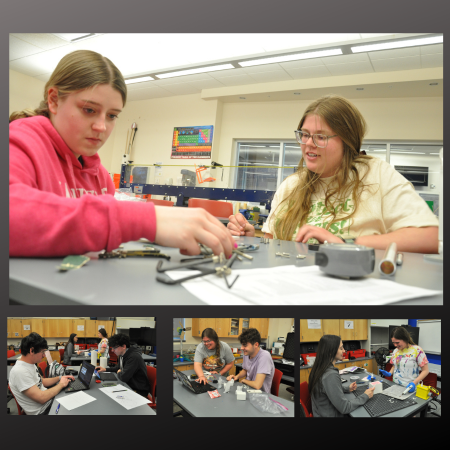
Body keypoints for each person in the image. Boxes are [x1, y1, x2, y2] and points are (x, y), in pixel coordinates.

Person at [10, 49, 236, 258]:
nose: (101, 126)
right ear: (53, 100)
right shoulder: (20, 142)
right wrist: (146, 219)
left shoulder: (99, 176)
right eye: (89, 110)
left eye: (111, 116)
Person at [227, 95, 439, 254]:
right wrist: (251, 240)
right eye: (305, 135)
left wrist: (343, 244)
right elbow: (271, 241)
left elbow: (428, 238)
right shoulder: (291, 185)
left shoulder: (376, 174)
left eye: (321, 136)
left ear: (347, 141)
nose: (309, 143)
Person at [9, 332, 75, 415]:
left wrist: (60, 378)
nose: (44, 355)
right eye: (42, 352)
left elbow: (42, 381)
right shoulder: (19, 371)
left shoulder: (30, 364)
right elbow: (42, 398)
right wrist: (61, 385)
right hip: (43, 410)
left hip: (49, 402)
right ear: (32, 350)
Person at [309, 335, 374, 417]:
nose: (344, 351)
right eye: (341, 348)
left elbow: (326, 389)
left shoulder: (318, 368)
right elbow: (345, 407)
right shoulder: (330, 375)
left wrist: (347, 388)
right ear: (330, 351)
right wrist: (365, 396)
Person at [95, 333, 150, 398]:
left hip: (138, 390)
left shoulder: (134, 357)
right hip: (128, 385)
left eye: (114, 348)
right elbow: (118, 368)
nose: (112, 350)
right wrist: (105, 369)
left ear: (123, 346)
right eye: (111, 348)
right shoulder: (122, 354)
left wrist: (119, 372)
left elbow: (123, 377)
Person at [379, 327, 429, 393]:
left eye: (397, 342)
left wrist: (414, 383)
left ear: (405, 339)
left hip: (410, 388)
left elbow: (425, 370)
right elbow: (394, 366)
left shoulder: (417, 350)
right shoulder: (396, 351)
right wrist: (389, 373)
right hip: (396, 385)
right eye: (393, 343)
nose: (395, 345)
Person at [227, 328, 274, 393]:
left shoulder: (264, 356)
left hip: (260, 395)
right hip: (248, 389)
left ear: (256, 345)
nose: (241, 348)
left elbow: (257, 385)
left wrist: (244, 381)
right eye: (242, 344)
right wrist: (236, 377)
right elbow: (246, 369)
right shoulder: (247, 353)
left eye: (245, 345)